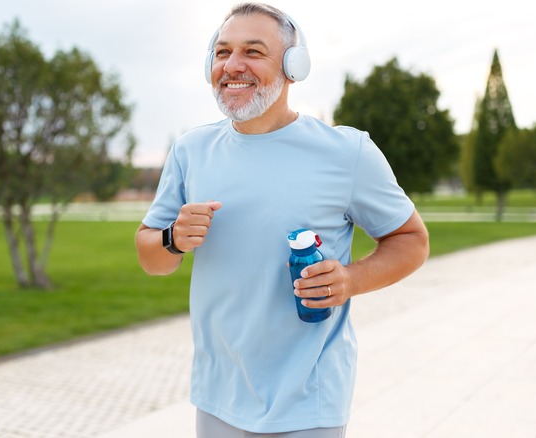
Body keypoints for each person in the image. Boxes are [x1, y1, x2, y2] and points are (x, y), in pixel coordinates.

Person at [135, 2, 429, 437]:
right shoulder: (190, 151)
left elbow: (412, 241)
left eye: (253, 52)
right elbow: (150, 257)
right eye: (221, 52)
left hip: (309, 403)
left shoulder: (347, 153)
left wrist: (349, 280)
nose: (233, 66)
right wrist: (173, 239)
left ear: (294, 65)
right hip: (218, 395)